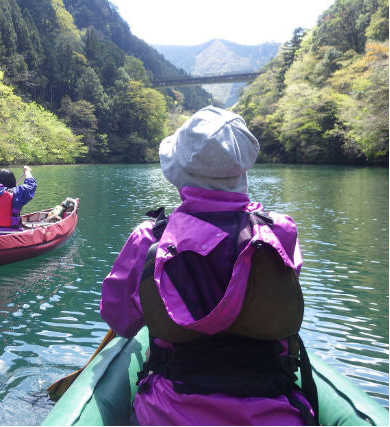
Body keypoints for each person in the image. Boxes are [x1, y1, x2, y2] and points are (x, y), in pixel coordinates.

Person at [100, 106, 318, 425]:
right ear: (243, 172)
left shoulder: (149, 238)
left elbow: (120, 319)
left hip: (169, 414)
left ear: (178, 175)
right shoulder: (280, 231)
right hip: (276, 414)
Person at [0, 166, 36, 232]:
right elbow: (31, 185)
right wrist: (27, 172)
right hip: (10, 233)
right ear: (12, 181)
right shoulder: (16, 193)